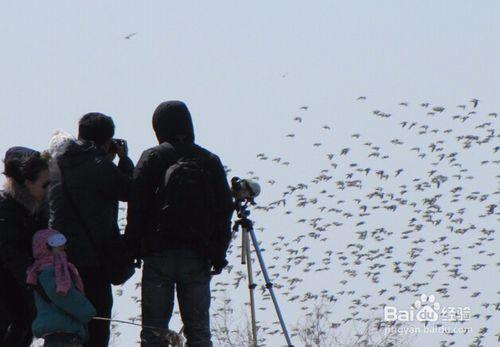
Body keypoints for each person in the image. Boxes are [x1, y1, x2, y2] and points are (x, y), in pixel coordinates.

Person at [125, 100, 234, 347]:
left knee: (154, 332)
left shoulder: (152, 157)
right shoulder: (209, 159)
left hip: (157, 253)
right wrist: (218, 253)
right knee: (199, 333)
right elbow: (224, 210)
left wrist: (132, 248)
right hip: (198, 254)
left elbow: (137, 207)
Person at [48, 113, 133, 347]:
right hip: (93, 263)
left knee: (66, 328)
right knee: (96, 329)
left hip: (60, 263)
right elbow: (129, 191)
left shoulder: (56, 165)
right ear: (106, 140)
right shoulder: (99, 165)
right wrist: (124, 161)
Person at [0, 147, 50, 346]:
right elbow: (9, 252)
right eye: (45, 185)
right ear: (28, 183)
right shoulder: (6, 207)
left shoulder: (35, 208)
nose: (49, 190)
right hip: (7, 286)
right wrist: (33, 280)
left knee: (25, 327)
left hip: (20, 286)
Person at [28, 229, 96, 347]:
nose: (62, 247)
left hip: (65, 331)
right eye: (55, 242)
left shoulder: (56, 269)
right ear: (44, 247)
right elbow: (62, 294)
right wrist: (86, 310)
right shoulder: (49, 271)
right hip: (61, 333)